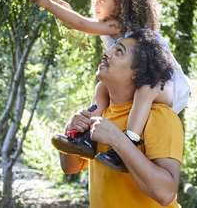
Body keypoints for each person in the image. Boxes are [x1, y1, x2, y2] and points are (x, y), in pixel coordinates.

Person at [28, 0, 190, 172]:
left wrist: (49, 5)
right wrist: (65, 10)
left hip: (169, 86)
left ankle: (128, 143)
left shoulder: (120, 25)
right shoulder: (116, 30)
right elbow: (80, 22)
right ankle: (87, 138)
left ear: (120, 5)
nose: (95, 4)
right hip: (143, 80)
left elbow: (80, 23)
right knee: (101, 89)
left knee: (145, 90)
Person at [60, 30, 184, 207]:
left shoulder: (159, 115)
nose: (106, 52)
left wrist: (117, 139)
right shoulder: (101, 111)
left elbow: (165, 193)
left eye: (119, 51)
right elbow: (70, 168)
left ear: (137, 72)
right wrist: (71, 130)